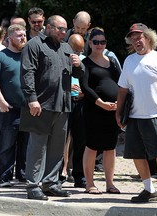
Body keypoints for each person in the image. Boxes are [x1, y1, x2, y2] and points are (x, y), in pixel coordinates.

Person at [20, 15, 85, 200]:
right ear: (48, 27)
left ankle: (50, 183)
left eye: (65, 29)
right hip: (41, 105)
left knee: (57, 148)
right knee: (37, 147)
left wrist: (79, 65)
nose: (64, 32)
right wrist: (32, 99)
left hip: (63, 105)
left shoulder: (66, 47)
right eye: (60, 29)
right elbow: (27, 72)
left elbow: (78, 74)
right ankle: (33, 185)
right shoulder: (34, 45)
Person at [116, 23, 157, 203]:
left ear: (148, 38)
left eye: (139, 37)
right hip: (134, 116)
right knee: (136, 154)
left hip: (155, 115)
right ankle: (149, 189)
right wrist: (118, 113)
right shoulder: (129, 60)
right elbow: (123, 89)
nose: (136, 42)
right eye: (133, 39)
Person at [80, 28, 121, 194]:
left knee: (111, 147)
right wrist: (100, 102)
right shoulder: (86, 63)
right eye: (96, 42)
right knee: (92, 146)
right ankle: (89, 183)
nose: (99, 45)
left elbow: (121, 83)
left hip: (112, 110)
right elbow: (85, 87)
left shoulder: (112, 63)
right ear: (90, 43)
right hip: (94, 110)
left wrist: (120, 102)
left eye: (102, 42)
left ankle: (110, 183)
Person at [0, 24, 29, 187]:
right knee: (7, 144)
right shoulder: (1, 57)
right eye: (19, 35)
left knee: (25, 144)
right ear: (10, 38)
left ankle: (22, 174)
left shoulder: (28, 56)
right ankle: (5, 177)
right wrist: (1, 101)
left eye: (24, 35)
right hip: (8, 109)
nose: (23, 38)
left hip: (27, 108)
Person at [59, 34, 87, 188]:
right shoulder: (61, 57)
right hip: (65, 101)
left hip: (80, 101)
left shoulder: (83, 60)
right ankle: (59, 173)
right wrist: (68, 88)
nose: (78, 54)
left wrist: (84, 91)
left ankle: (79, 175)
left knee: (80, 140)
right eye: (75, 50)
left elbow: (88, 81)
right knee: (61, 139)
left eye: (80, 51)